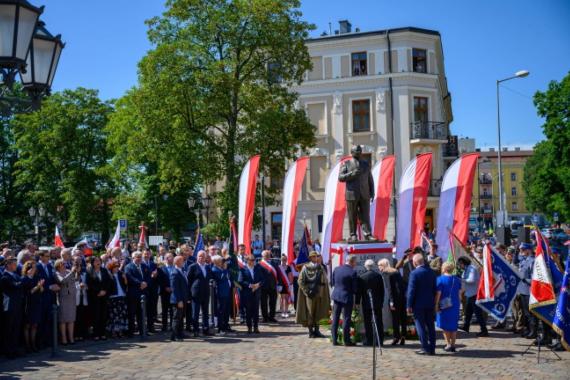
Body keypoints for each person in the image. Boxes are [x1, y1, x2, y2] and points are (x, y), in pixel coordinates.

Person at [338, 145, 375, 241]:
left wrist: (372, 192)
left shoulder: (366, 164)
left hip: (365, 193)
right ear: (352, 152)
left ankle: (368, 234)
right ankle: (353, 234)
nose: (358, 152)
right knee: (352, 215)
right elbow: (341, 177)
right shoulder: (346, 163)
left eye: (360, 151)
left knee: (365, 216)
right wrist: (352, 174)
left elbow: (370, 179)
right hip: (351, 194)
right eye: (356, 151)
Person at [406, 254, 437, 355]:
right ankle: (432, 348)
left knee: (420, 326)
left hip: (418, 305)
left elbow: (411, 291)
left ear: (415, 263)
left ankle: (425, 347)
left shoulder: (414, 273)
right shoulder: (431, 272)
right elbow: (434, 289)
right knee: (431, 326)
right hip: (430, 303)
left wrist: (409, 305)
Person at [296, 251, 330, 338]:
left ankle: (317, 330)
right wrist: (306, 291)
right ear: (310, 258)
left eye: (317, 256)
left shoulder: (320, 267)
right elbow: (300, 280)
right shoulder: (305, 267)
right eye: (314, 256)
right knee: (310, 312)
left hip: (319, 294)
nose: (316, 258)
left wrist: (323, 292)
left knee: (319, 312)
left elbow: (325, 281)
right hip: (309, 295)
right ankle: (311, 332)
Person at [330, 255, 358, 346]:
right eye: (355, 262)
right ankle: (346, 340)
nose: (356, 264)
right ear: (352, 262)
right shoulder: (353, 272)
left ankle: (334, 339)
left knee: (335, 318)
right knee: (346, 318)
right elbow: (354, 289)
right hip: (347, 297)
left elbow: (333, 282)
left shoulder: (337, 269)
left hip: (337, 296)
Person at [378, 258, 407, 345]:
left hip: (394, 298)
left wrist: (391, 301)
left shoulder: (386, 273)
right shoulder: (396, 271)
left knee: (395, 319)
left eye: (379, 265)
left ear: (383, 265)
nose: (378, 267)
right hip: (402, 297)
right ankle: (403, 337)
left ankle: (396, 337)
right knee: (403, 318)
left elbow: (389, 288)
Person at [457, 256, 489, 337]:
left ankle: (484, 330)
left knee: (478, 314)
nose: (459, 266)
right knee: (468, 312)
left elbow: (471, 280)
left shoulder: (472, 269)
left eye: (460, 264)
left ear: (463, 263)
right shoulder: (466, 269)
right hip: (469, 294)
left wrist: (460, 279)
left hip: (474, 294)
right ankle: (466, 326)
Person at [356, 259, 385, 346]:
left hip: (366, 303)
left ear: (365, 266)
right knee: (379, 321)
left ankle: (369, 341)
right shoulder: (378, 276)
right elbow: (382, 291)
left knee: (368, 322)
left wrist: (357, 302)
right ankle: (380, 340)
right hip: (377, 303)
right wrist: (381, 301)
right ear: (373, 266)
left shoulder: (362, 277)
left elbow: (359, 292)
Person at [435, 262, 462, 352]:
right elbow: (460, 294)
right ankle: (453, 344)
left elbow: (438, 294)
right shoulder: (457, 279)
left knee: (445, 325)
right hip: (455, 304)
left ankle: (448, 344)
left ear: (444, 268)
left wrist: (436, 304)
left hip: (444, 305)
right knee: (453, 325)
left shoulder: (440, 279)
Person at [1, 258, 25, 358]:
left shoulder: (16, 275)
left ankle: (14, 348)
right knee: (9, 329)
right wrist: (23, 280)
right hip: (9, 307)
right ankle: (8, 350)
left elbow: (21, 285)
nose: (16, 266)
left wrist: (21, 282)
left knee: (16, 328)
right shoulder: (5, 277)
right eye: (14, 264)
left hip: (17, 306)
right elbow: (15, 286)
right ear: (8, 265)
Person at [124, 251, 150, 337]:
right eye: (137, 257)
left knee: (142, 313)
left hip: (143, 292)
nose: (139, 258)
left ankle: (142, 330)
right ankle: (131, 332)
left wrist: (145, 283)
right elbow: (130, 277)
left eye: (140, 257)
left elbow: (148, 277)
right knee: (132, 313)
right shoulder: (128, 267)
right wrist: (140, 283)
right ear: (133, 258)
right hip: (133, 293)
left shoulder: (144, 266)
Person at [55, 258, 79, 345]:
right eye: (62, 264)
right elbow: (62, 281)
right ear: (58, 265)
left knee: (71, 318)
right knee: (63, 319)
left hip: (71, 297)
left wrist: (77, 271)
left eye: (65, 264)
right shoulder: (56, 273)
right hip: (63, 298)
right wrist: (72, 272)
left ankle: (71, 338)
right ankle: (64, 339)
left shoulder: (69, 271)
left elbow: (76, 279)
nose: (64, 265)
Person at [238, 254, 264, 333]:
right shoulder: (243, 269)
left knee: (256, 310)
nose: (253, 262)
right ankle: (249, 327)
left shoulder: (258, 269)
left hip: (256, 292)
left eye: (254, 260)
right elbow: (241, 280)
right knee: (248, 311)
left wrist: (257, 285)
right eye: (251, 260)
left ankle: (256, 327)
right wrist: (250, 285)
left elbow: (263, 279)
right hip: (247, 293)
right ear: (247, 261)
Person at [188, 250, 212, 336]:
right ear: (197, 257)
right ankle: (195, 330)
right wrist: (188, 295)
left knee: (206, 312)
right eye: (199, 256)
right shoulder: (192, 267)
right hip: (196, 293)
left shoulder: (208, 267)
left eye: (202, 256)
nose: (201, 258)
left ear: (205, 258)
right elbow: (188, 281)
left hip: (205, 293)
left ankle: (206, 329)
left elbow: (211, 278)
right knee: (195, 313)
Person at [87, 256, 112, 340]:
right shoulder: (89, 271)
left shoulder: (104, 270)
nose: (98, 262)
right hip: (95, 297)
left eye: (99, 261)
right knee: (96, 315)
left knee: (103, 315)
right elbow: (90, 284)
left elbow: (109, 282)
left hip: (104, 296)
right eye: (96, 261)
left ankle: (103, 333)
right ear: (92, 262)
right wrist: (98, 291)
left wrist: (104, 291)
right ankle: (96, 334)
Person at [22, 261, 44, 353]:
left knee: (35, 325)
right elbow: (28, 293)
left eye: (35, 268)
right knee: (27, 325)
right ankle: (27, 345)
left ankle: (33, 344)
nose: (34, 270)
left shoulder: (37, 278)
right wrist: (37, 287)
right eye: (32, 268)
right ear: (27, 269)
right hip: (28, 304)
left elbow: (41, 291)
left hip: (36, 303)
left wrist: (41, 287)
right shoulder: (24, 279)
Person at [106, 261, 128, 338]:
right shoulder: (109, 275)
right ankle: (114, 331)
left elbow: (125, 284)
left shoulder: (120, 274)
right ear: (111, 268)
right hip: (113, 297)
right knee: (114, 315)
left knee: (122, 314)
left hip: (122, 296)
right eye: (115, 267)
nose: (116, 268)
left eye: (117, 267)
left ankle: (121, 330)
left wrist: (125, 278)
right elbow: (108, 287)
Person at [170, 255, 190, 341]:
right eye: (182, 260)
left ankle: (180, 333)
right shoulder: (174, 272)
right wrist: (179, 300)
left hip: (183, 298)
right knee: (176, 318)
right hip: (178, 300)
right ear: (177, 262)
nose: (183, 262)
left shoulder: (182, 271)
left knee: (181, 317)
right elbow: (175, 288)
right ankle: (175, 335)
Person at [211, 255, 232, 333]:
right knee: (221, 311)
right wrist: (225, 269)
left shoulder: (221, 269)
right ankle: (221, 327)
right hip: (220, 293)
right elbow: (222, 278)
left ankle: (226, 325)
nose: (223, 262)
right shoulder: (214, 269)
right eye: (221, 261)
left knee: (226, 310)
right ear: (216, 262)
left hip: (226, 292)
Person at [259, 250, 281, 323]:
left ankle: (272, 316)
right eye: (265, 255)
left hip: (272, 286)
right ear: (263, 256)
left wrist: (279, 284)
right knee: (263, 303)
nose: (267, 256)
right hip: (263, 287)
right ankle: (265, 317)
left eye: (268, 255)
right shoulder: (260, 264)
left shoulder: (274, 263)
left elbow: (279, 274)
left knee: (273, 302)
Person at [142, 249, 159, 333]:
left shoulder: (153, 264)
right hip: (143, 289)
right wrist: (150, 276)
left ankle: (151, 326)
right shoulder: (140, 264)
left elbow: (156, 277)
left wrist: (155, 275)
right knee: (142, 310)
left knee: (151, 309)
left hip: (152, 290)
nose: (146, 255)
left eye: (148, 254)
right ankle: (142, 328)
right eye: (145, 254)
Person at [158, 252, 175, 332]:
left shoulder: (175, 268)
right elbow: (160, 280)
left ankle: (173, 325)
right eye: (167, 257)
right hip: (165, 292)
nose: (169, 259)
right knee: (164, 310)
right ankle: (164, 326)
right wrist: (165, 287)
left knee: (173, 310)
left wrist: (173, 288)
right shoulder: (161, 268)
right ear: (165, 259)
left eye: (171, 257)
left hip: (174, 292)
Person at [74, 256, 89, 342]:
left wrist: (85, 286)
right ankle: (76, 334)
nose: (78, 267)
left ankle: (83, 334)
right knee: (76, 317)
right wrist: (79, 286)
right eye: (76, 265)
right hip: (76, 298)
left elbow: (87, 283)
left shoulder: (84, 272)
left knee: (83, 316)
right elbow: (71, 286)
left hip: (83, 297)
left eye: (79, 264)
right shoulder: (72, 273)